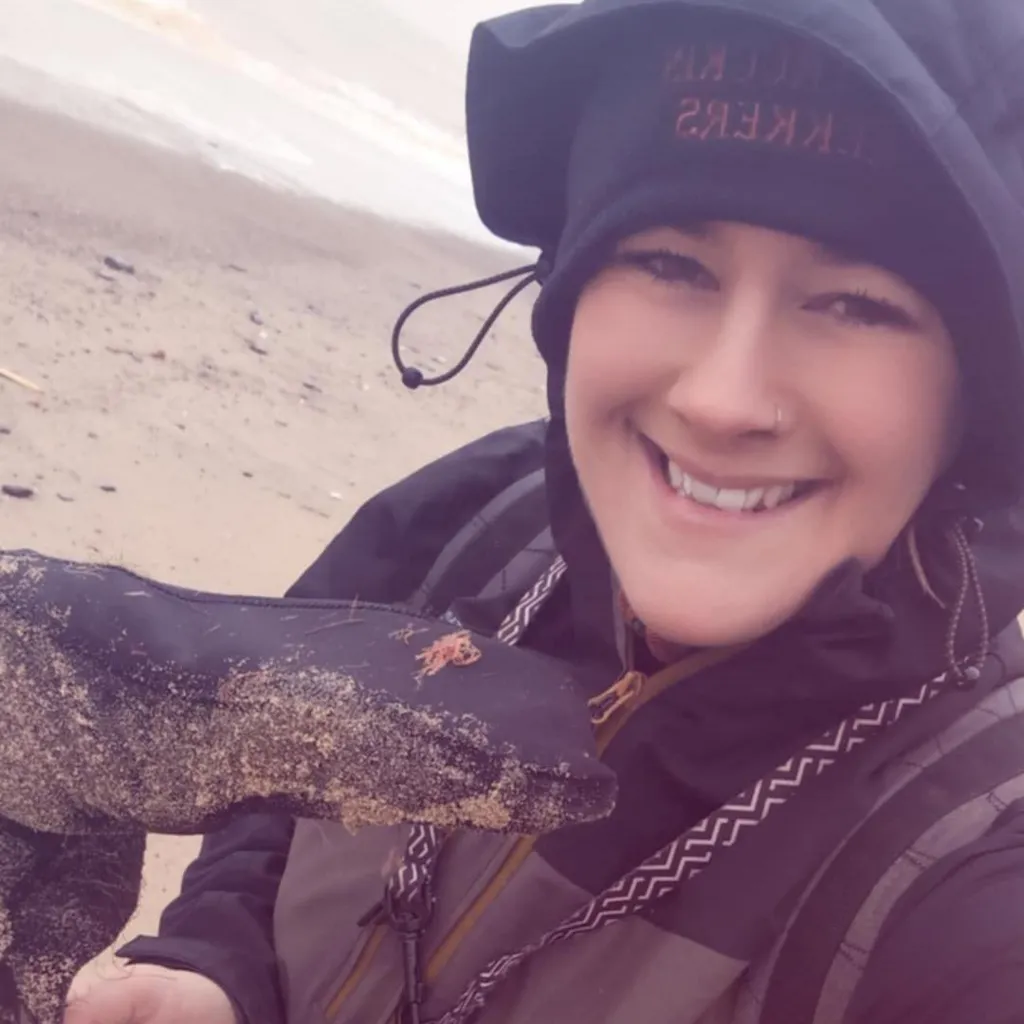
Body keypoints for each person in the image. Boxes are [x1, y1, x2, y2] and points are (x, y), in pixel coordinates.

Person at [66, 0, 1024, 1022]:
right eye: (669, 263)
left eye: (854, 304)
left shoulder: (963, 868)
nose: (720, 399)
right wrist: (218, 963)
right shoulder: (471, 520)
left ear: (974, 393)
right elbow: (274, 781)